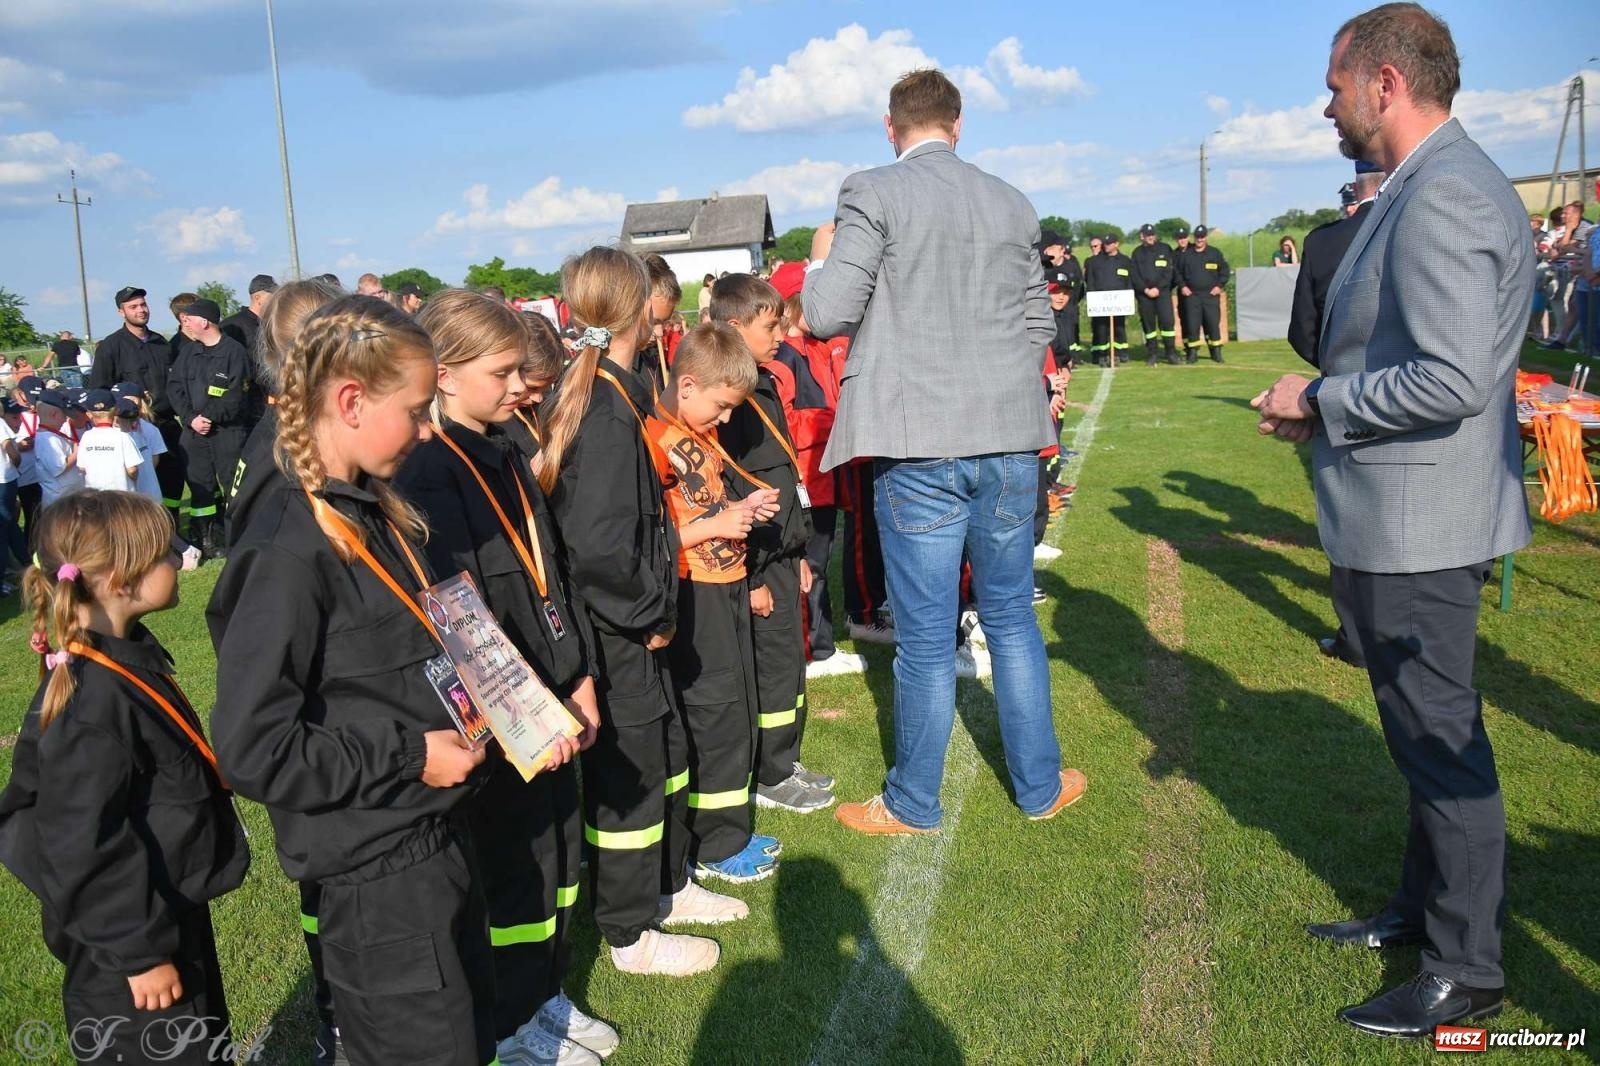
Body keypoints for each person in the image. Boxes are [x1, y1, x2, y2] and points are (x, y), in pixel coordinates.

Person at [1250, 1, 1530, 1038]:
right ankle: (1426, 914)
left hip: (1422, 523)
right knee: (1422, 739)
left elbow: (1451, 376)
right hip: (1403, 509)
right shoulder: (1428, 186)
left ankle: (1468, 969)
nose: (1324, 104)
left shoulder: (1445, 192)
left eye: (1333, 84)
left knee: (1442, 743)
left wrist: (1317, 401)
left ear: (1384, 84)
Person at [207, 295, 496, 1065]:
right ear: (349, 400)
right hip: (378, 876)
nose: (429, 428)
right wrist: (411, 756)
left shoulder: (369, 508)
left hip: (436, 839)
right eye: (415, 408)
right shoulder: (285, 548)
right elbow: (252, 749)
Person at [802, 67, 1084, 835]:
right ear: (957, 126)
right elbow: (1041, 326)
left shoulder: (873, 190)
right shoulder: (1010, 200)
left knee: (927, 640)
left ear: (892, 128)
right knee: (1011, 622)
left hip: (916, 439)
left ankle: (912, 802)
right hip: (1006, 438)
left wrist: (821, 257)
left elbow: (825, 313)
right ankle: (1038, 785)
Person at [394, 289, 615, 1066]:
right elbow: (466, 619)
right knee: (513, 869)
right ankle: (511, 1018)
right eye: (505, 370)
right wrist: (528, 709)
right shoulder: (430, 470)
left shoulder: (503, 446)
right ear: (445, 375)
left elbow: (547, 574)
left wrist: (579, 675)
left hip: (556, 690)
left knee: (555, 860)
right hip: (513, 710)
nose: (522, 383)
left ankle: (543, 994)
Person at [0, 490, 249, 1065]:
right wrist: (139, 952)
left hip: (164, 912)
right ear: (119, 579)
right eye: (166, 552)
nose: (179, 557)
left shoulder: (124, 656)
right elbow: (79, 842)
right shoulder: (92, 702)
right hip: (127, 954)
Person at [535, 247, 729, 977]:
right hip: (615, 631)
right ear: (641, 310)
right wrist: (650, 609)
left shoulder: (609, 390)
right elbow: (600, 548)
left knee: (664, 756)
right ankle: (628, 929)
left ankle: (667, 884)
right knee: (633, 776)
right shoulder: (608, 412)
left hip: (623, 622)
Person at [645, 322, 787, 885]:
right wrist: (717, 526)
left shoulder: (695, 433)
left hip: (724, 584)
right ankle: (717, 844)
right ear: (687, 385)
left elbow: (703, 503)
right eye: (721, 406)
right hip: (694, 591)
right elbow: (655, 538)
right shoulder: (654, 439)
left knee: (736, 704)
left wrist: (742, 508)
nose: (726, 419)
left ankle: (732, 827)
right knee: (714, 714)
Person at [707, 274, 835, 814]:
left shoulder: (762, 381)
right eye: (770, 324)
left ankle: (787, 758)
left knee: (790, 667)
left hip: (784, 554)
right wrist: (756, 574)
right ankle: (770, 774)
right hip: (759, 563)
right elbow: (732, 488)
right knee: (773, 667)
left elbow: (783, 477)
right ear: (735, 326)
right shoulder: (731, 398)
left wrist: (799, 550)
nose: (781, 333)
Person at [1288, 161, 1386, 672]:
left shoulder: (1328, 241)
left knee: (1350, 518)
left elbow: (1303, 330)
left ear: (1353, 191)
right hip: (1416, 402)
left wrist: (1334, 372)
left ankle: (1356, 637)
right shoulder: (1417, 221)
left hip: (1345, 399)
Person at [89, 288, 184, 529]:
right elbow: (99, 390)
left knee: (173, 479)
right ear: (121, 312)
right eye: (133, 307)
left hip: (165, 422)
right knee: (142, 483)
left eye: (143, 304)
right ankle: (142, 534)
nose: (141, 310)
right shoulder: (110, 347)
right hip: (132, 427)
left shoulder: (160, 343)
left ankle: (171, 529)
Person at [168, 298, 249, 559]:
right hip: (194, 433)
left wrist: (209, 416)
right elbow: (175, 387)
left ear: (204, 322)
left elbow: (236, 394)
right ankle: (206, 538)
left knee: (232, 488)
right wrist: (191, 418)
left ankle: (239, 536)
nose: (186, 324)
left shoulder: (234, 352)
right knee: (200, 487)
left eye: (188, 319)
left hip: (227, 432)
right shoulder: (189, 352)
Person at [1177, 225, 1230, 363]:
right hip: (1192, 296)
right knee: (1192, 325)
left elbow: (1224, 271)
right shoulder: (1187, 254)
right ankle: (1192, 353)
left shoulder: (1214, 253)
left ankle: (1216, 352)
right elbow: (1177, 272)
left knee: (1212, 324)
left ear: (1206, 237)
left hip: (1210, 296)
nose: (1200, 239)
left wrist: (1219, 286)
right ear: (1194, 237)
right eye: (1198, 237)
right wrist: (1183, 286)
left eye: (1202, 237)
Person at [74, 389, 143, 492]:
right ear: (116, 411)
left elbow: (82, 467)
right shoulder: (123, 436)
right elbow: (132, 470)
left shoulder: (86, 437)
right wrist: (134, 479)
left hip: (95, 495)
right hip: (121, 495)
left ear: (89, 414)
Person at [1130, 223, 1180, 365]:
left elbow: (1169, 272)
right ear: (1142, 236)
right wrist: (1145, 290)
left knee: (1167, 324)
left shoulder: (1165, 249)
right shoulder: (1137, 253)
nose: (1151, 237)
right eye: (1148, 235)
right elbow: (1134, 275)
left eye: (1152, 235)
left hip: (1162, 294)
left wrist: (1158, 288)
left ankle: (1171, 353)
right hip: (1144, 295)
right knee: (1149, 327)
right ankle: (1152, 354)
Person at [1083, 233, 1136, 366]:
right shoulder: (1095, 262)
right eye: (1105, 243)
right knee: (1100, 329)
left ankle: (1120, 353)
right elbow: (1091, 281)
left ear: (1116, 244)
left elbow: (1129, 281)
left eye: (1110, 243)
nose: (1107, 246)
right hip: (1100, 301)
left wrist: (1130, 298)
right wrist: (1091, 298)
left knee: (1119, 327)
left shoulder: (1125, 261)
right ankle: (1101, 355)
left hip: (1119, 301)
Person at [32, 388, 83, 509]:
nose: (66, 419)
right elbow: (59, 467)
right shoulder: (48, 439)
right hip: (60, 500)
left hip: (67, 496)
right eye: (64, 415)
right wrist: (77, 452)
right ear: (54, 414)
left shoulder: (52, 435)